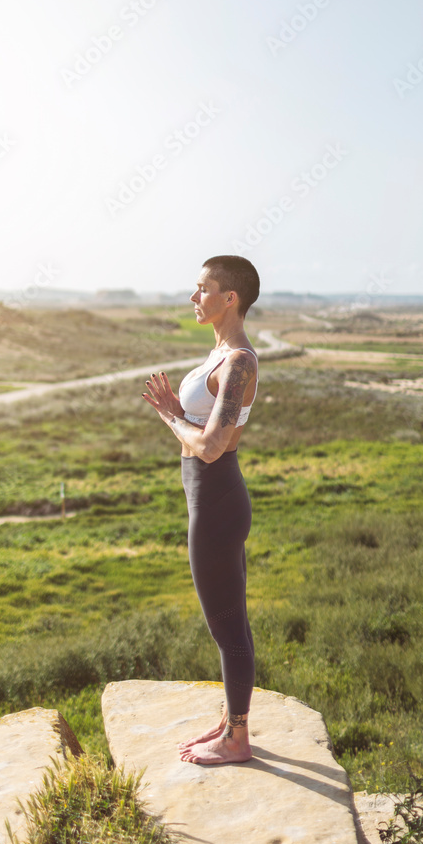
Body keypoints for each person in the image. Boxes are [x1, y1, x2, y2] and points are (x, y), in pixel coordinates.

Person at [141, 254, 260, 765]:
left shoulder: (240, 362)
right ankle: (231, 721)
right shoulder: (219, 355)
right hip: (209, 500)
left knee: (227, 623)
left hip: (216, 502)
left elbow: (212, 446)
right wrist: (177, 411)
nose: (194, 298)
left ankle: (237, 739)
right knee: (227, 620)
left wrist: (170, 416)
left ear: (228, 298)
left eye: (202, 289)